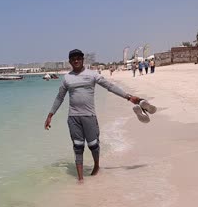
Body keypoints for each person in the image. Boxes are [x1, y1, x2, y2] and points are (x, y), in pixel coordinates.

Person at [44, 49, 155, 183]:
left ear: (82, 59)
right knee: (77, 147)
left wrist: (128, 97)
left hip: (89, 116)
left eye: (79, 58)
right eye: (73, 59)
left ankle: (96, 165)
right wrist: (50, 114)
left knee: (93, 145)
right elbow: (59, 97)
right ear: (70, 62)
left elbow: (109, 86)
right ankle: (80, 180)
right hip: (73, 118)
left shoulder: (92, 75)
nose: (76, 60)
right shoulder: (67, 78)